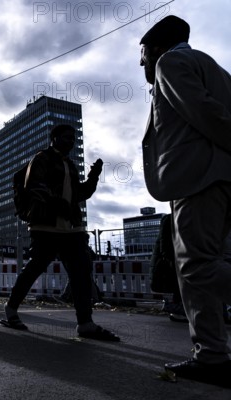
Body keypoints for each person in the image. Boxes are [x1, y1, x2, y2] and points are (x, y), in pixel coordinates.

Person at [139, 15, 231, 386]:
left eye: (142, 53)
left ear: (156, 47)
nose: (142, 62)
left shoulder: (171, 62)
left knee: (195, 267)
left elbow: (204, 111)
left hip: (200, 178)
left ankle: (211, 355)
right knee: (207, 263)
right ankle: (211, 356)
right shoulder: (218, 70)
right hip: (221, 178)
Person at [1, 124, 119, 341]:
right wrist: (58, 204)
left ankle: (85, 322)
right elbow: (35, 186)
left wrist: (94, 176)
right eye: (66, 138)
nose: (71, 142)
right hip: (45, 225)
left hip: (71, 228)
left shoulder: (70, 166)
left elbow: (80, 194)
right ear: (54, 138)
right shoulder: (42, 158)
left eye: (73, 139)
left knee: (81, 272)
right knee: (35, 268)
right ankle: (10, 310)